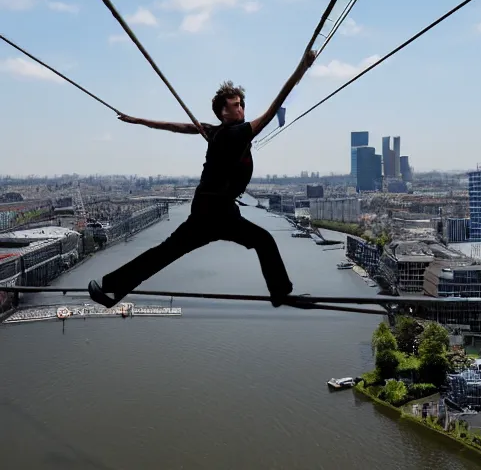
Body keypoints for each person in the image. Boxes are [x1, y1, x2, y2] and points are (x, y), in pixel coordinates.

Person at [88, 50, 316, 309]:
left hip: (215, 210)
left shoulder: (215, 131)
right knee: (260, 241)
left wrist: (138, 120)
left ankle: (111, 288)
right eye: (235, 105)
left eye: (242, 104)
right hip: (214, 212)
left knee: (167, 252)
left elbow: (178, 127)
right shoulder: (236, 133)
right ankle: (281, 294)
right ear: (222, 111)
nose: (240, 109)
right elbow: (275, 106)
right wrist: (301, 68)